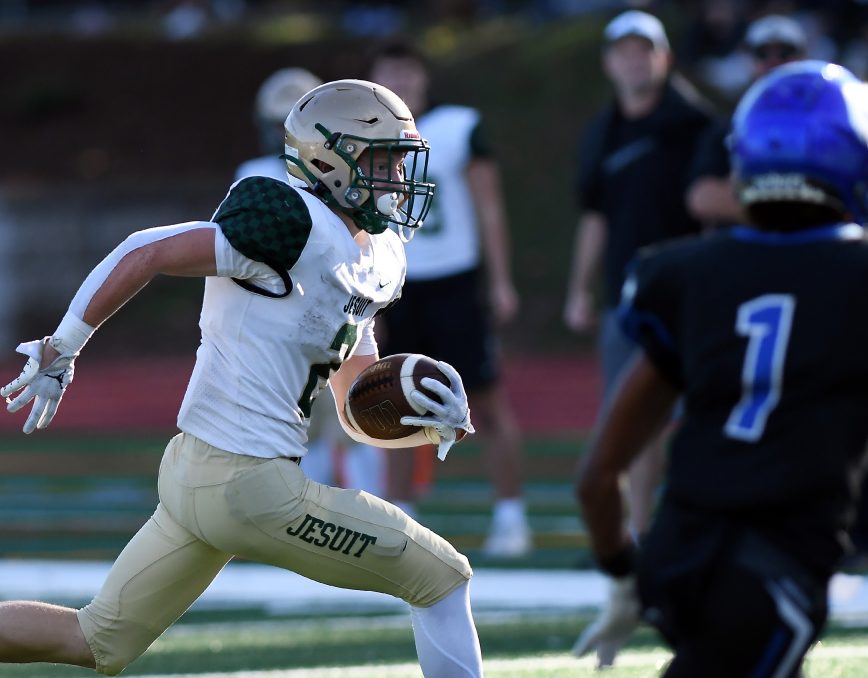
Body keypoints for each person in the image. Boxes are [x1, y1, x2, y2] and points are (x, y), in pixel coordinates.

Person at [0, 79, 593, 678]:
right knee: (442, 576)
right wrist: (66, 342)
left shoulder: (374, 252)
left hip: (199, 475)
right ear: (329, 159)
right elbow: (147, 249)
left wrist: (412, 407)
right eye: (383, 161)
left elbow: (349, 395)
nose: (397, 179)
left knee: (99, 639)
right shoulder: (286, 217)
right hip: (247, 486)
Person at [386, 60, 868, 678]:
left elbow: (598, 475)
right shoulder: (866, 279)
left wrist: (626, 575)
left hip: (682, 562)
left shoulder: (686, 273)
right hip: (769, 587)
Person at [368, 40, 530, 558]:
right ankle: (401, 516)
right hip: (395, 285)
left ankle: (511, 514)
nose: (402, 81)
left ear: (423, 78)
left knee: (483, 398)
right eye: (391, 73)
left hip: (457, 281)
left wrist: (500, 280)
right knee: (390, 400)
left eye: (408, 72)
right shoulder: (363, 134)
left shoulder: (459, 127)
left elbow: (491, 209)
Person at [563, 11, 714, 542]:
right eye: (623, 51)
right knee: (628, 417)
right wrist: (579, 288)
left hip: (692, 293)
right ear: (608, 62)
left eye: (643, 49)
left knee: (700, 417)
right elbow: (596, 216)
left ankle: (680, 526)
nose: (633, 60)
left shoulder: (695, 125)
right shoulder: (604, 131)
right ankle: (633, 531)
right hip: (627, 297)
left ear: (664, 57)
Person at [234, 67, 386, 496]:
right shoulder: (259, 175)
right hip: (291, 317)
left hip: (325, 313)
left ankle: (369, 511)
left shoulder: (327, 180)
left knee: (349, 418)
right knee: (313, 428)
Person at [686, 14, 809, 228]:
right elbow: (702, 199)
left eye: (785, 52)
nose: (774, 62)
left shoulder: (825, 122)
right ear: (747, 58)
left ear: (803, 57)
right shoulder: (727, 127)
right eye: (762, 53)